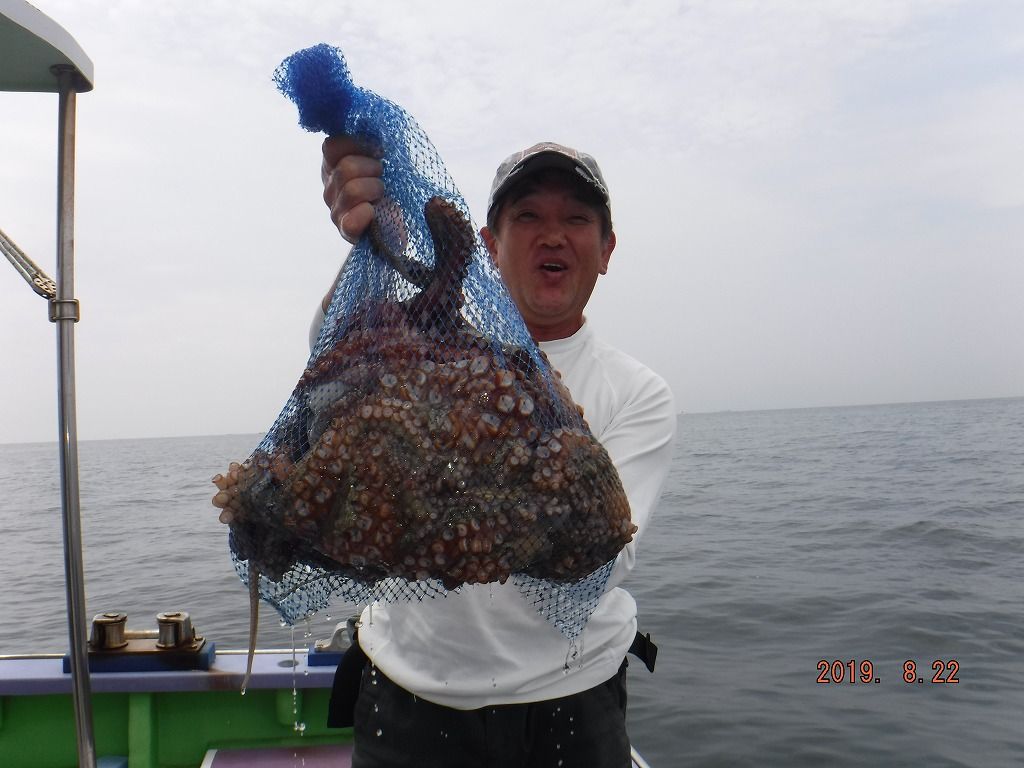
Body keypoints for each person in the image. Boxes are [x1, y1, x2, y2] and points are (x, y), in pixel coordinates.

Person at [315, 137, 677, 768]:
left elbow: (602, 555)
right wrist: (371, 238)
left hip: (573, 702)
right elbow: (331, 359)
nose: (553, 235)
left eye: (577, 218)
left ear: (606, 250)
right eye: (528, 215)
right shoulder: (424, 348)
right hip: (407, 693)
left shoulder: (637, 393)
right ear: (488, 244)